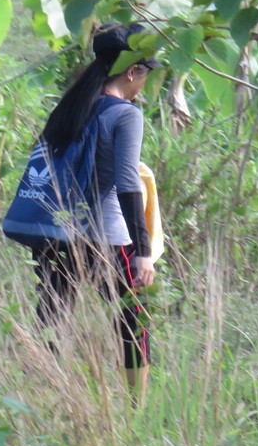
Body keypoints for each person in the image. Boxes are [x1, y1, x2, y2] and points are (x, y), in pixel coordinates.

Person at [29, 22, 161, 404]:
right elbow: (126, 181)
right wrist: (142, 251)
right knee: (134, 321)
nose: (144, 84)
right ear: (132, 72)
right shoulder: (125, 114)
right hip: (108, 237)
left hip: (58, 235)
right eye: (145, 74)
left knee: (51, 319)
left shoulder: (71, 107)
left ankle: (38, 402)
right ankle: (136, 412)